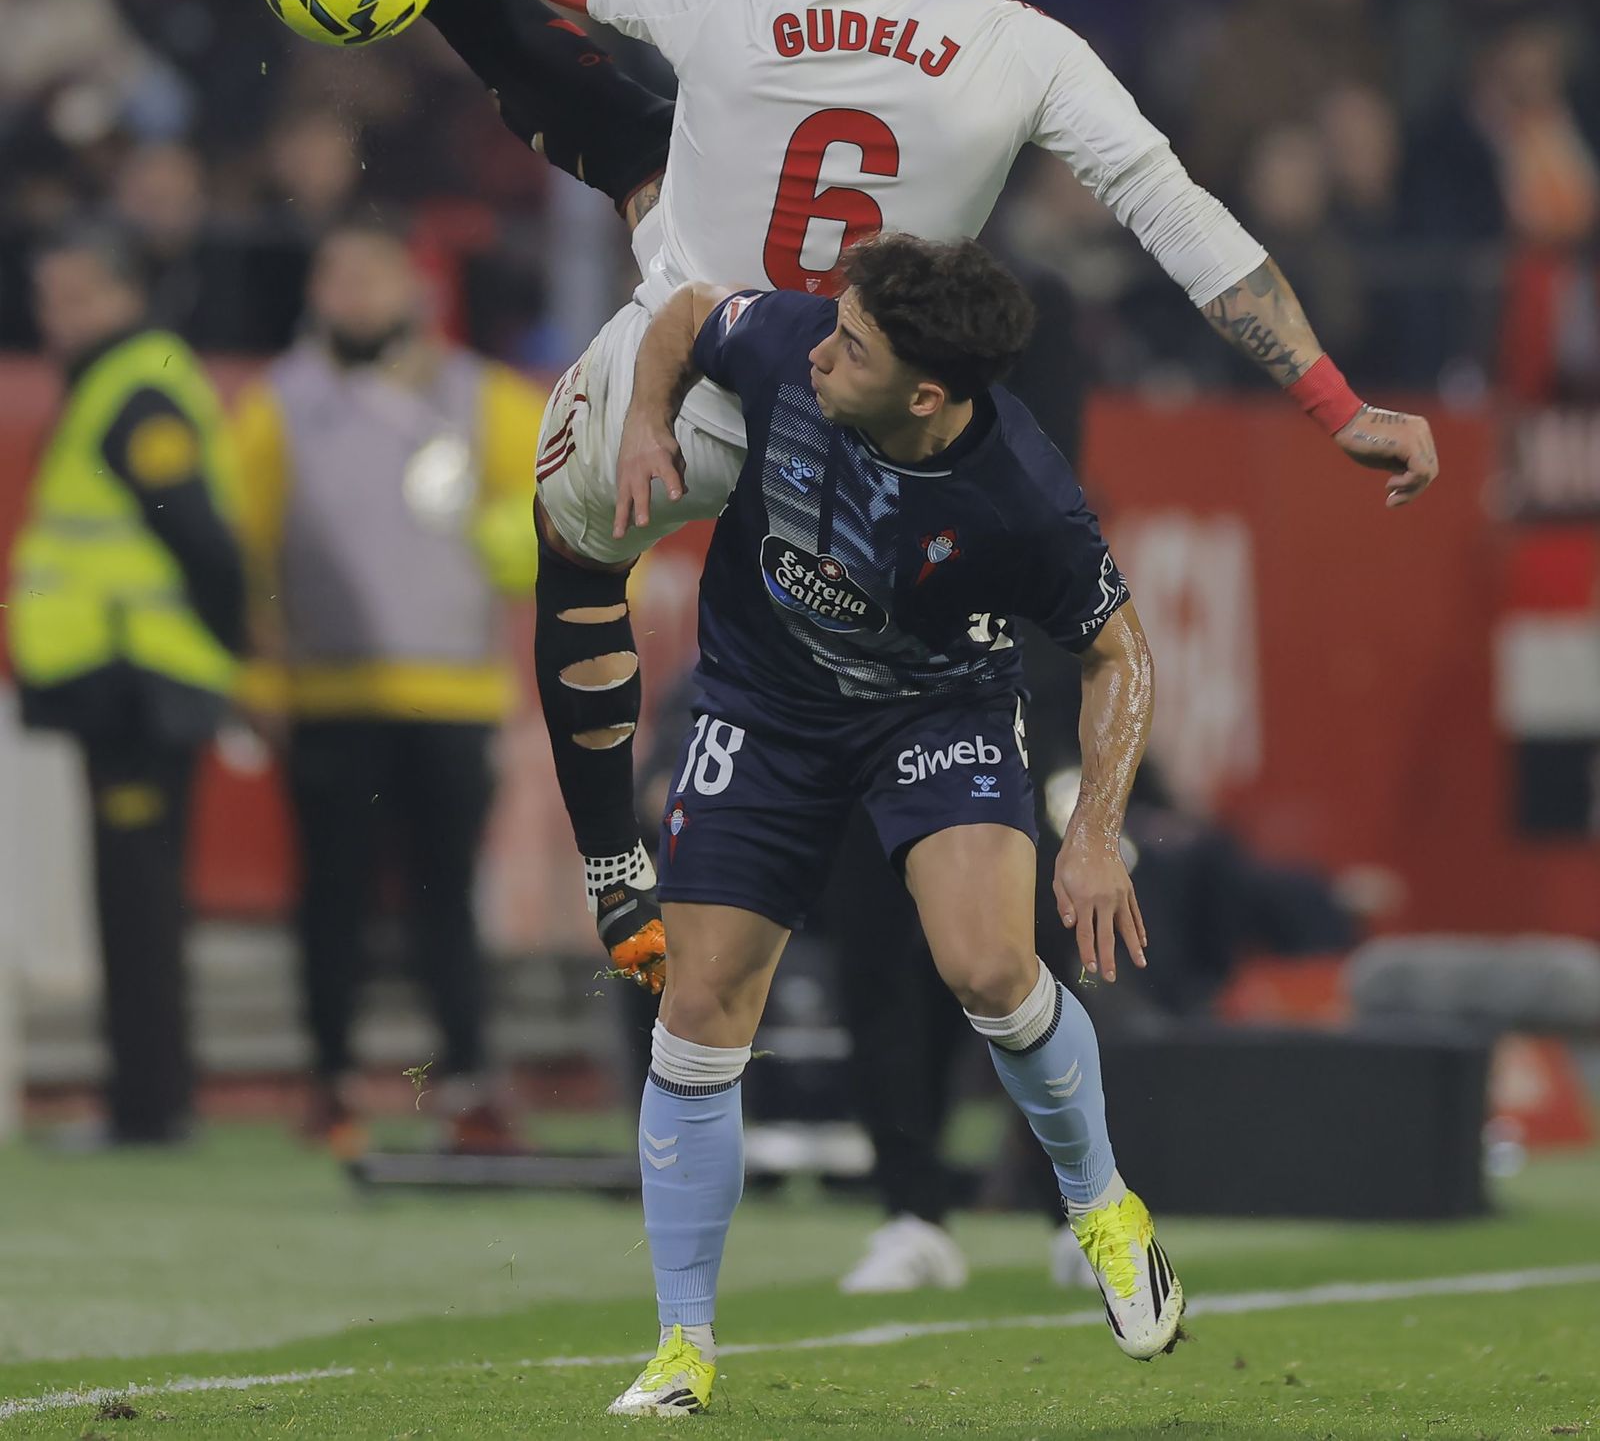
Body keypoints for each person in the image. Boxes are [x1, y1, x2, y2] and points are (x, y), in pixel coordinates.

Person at [257, 0, 1438, 1005]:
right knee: (637, 140)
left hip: (704, 374)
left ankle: (613, 860)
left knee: (575, 541)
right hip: (870, 428)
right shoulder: (1026, 47)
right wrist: (1339, 404)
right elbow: (1191, 229)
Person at [590, 233, 1172, 1414]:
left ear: (925, 394)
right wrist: (649, 422)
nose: (821, 349)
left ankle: (1103, 1203)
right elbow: (687, 311)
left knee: (991, 966)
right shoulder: (790, 338)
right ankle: (682, 1344)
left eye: (851, 344)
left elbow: (1119, 650)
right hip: (762, 705)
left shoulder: (1022, 495)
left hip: (933, 709)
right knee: (698, 1005)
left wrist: (1096, 829)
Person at [230, 218, 544, 1155]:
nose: (355, 295)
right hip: (331, 693)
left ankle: (470, 1083)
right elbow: (244, 549)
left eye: (373, 276)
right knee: (334, 900)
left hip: (452, 694)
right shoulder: (275, 406)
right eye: (338, 277)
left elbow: (552, 513)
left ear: (416, 288)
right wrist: (259, 669)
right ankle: (332, 1084)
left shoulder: (483, 397)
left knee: (448, 900)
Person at [6, 221, 245, 1145]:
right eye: (46, 298)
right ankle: (150, 1099)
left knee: (137, 901)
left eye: (71, 296)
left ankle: (147, 1108)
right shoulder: (127, 383)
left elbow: (205, 543)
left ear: (120, 295)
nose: (52, 317)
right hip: (134, 678)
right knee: (136, 895)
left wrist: (223, 654)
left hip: (136, 679)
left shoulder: (134, 392)